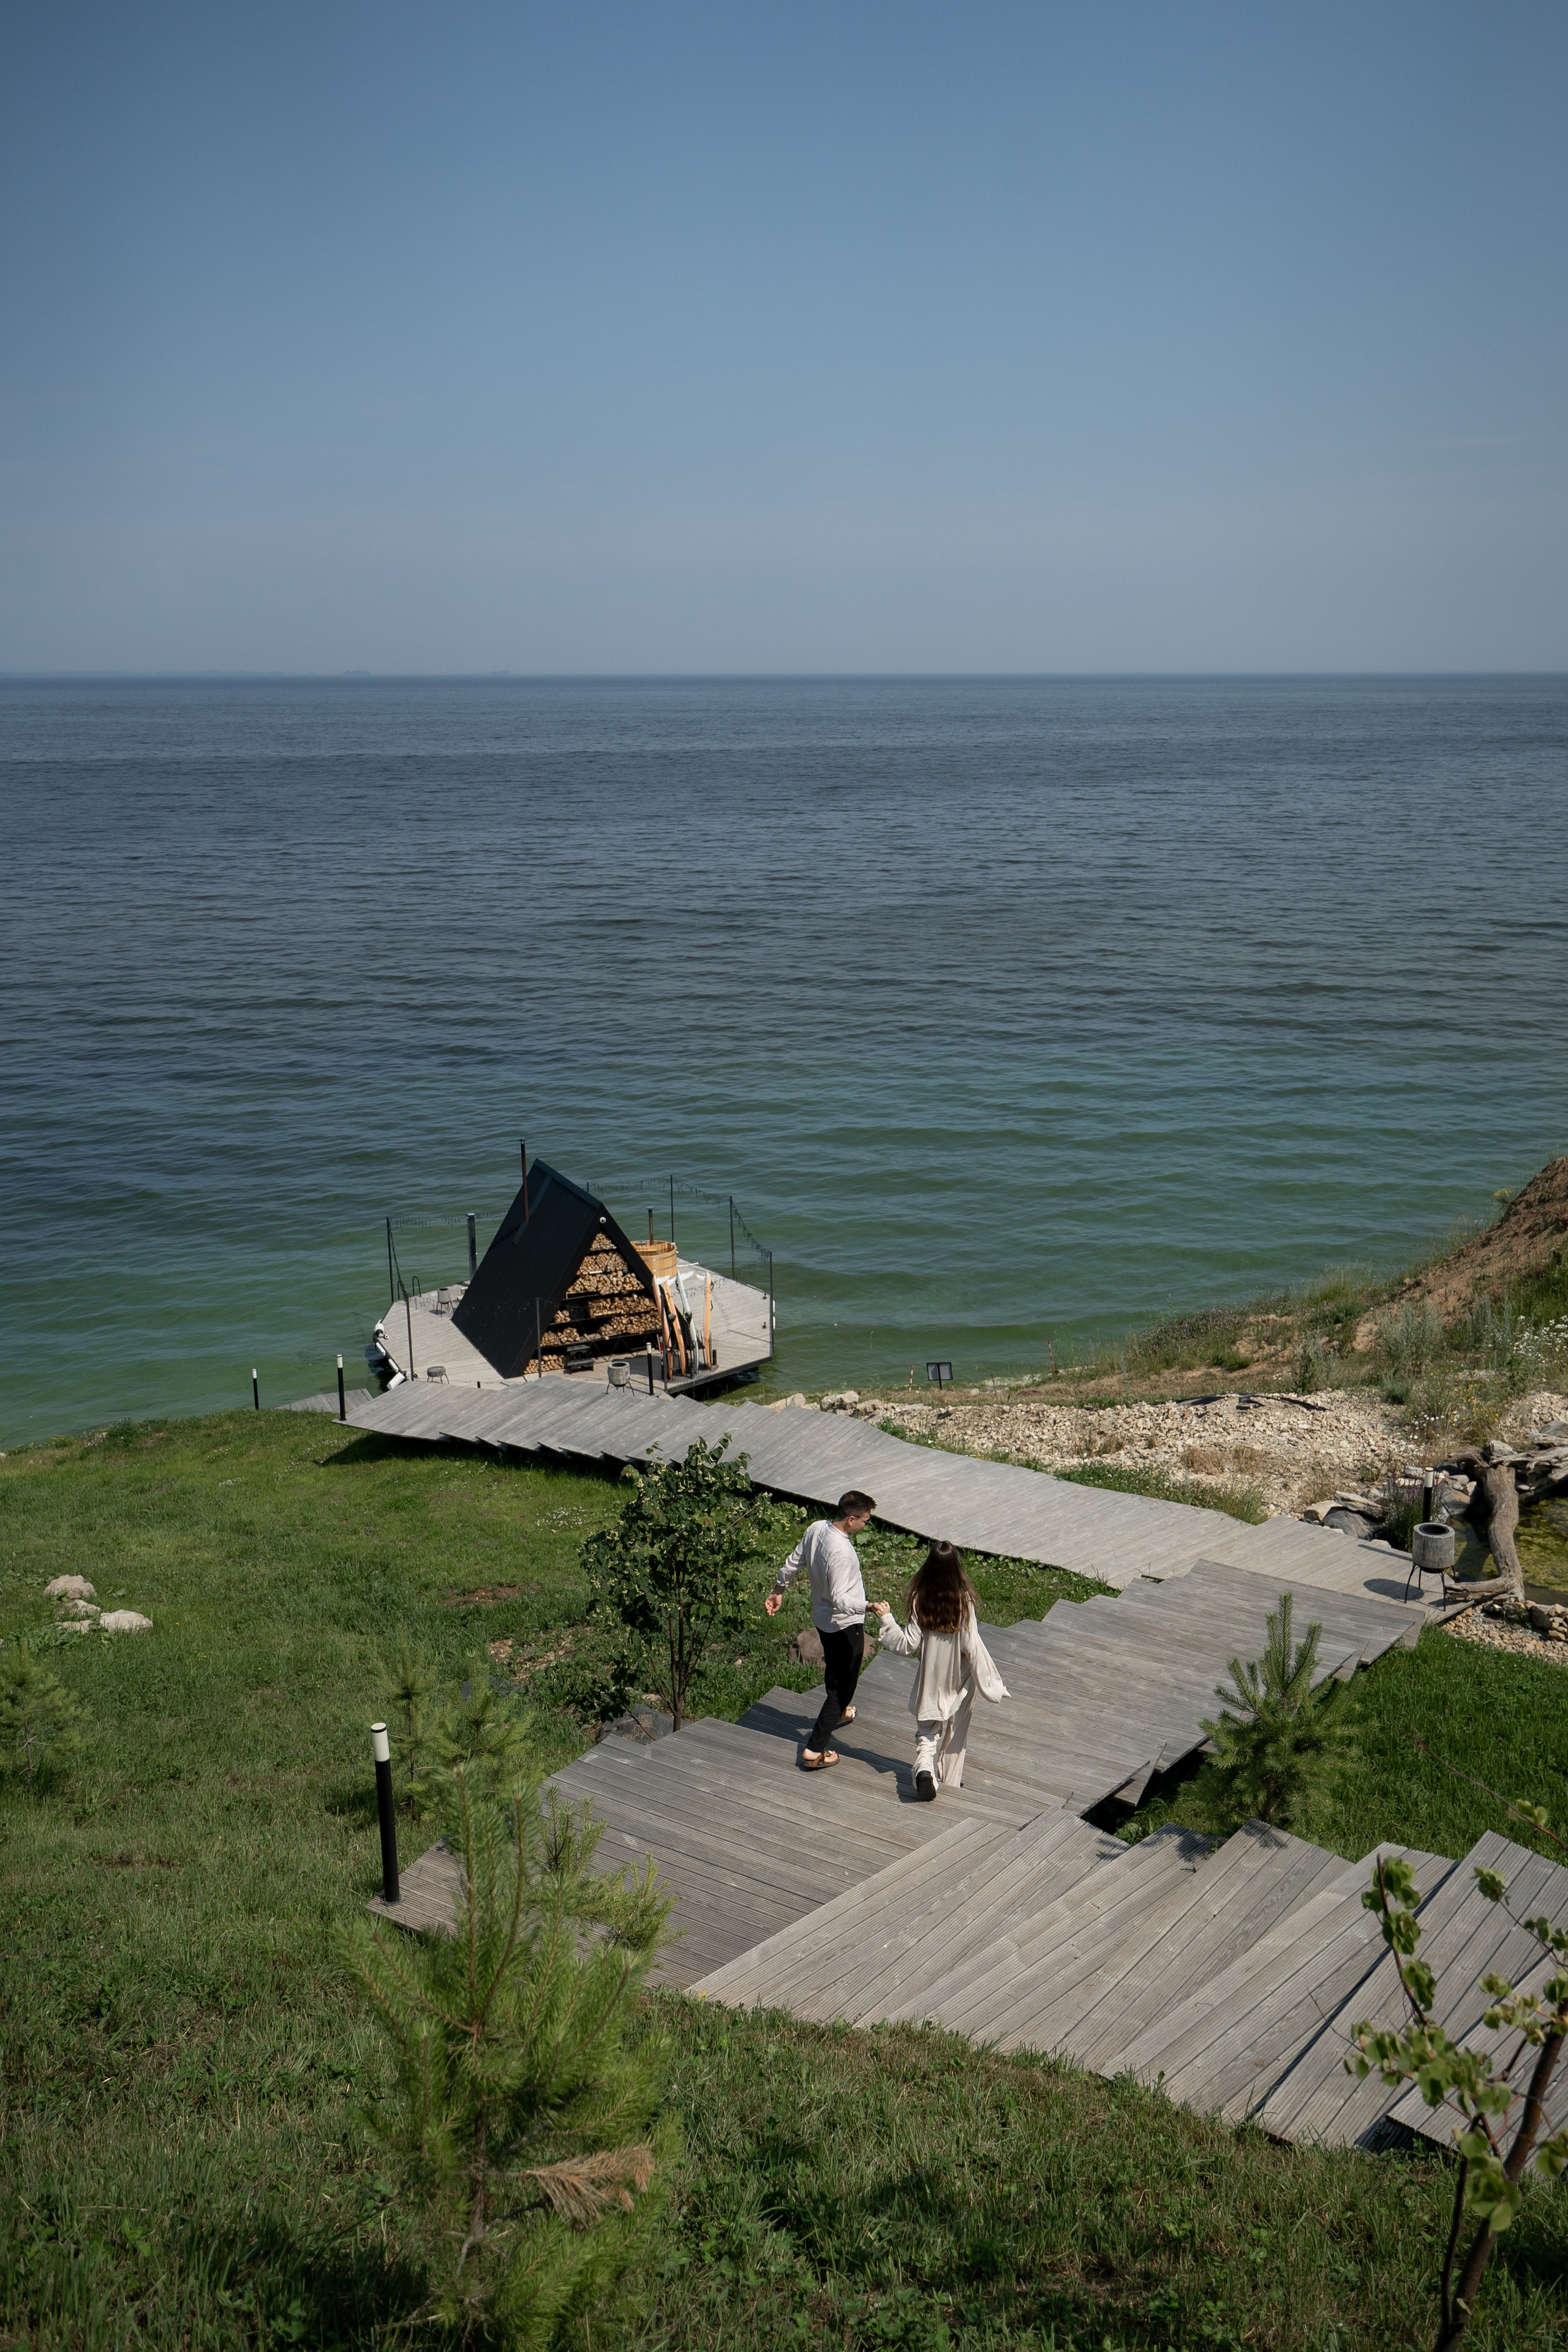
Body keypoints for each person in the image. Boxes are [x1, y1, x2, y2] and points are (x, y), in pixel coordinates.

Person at [870, 1542, 1008, 1800]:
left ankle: (925, 1768)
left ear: (929, 1566)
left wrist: (887, 1619)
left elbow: (907, 1645)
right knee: (957, 1730)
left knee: (927, 1733)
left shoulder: (919, 1599)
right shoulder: (964, 1601)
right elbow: (971, 1645)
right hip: (961, 1676)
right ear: (956, 1567)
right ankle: (951, 1781)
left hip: (931, 1679)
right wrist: (991, 1683)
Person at [764, 1490, 876, 1770]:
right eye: (866, 1520)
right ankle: (814, 1751)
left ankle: (838, 1713)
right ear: (851, 1519)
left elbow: (794, 1560)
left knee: (835, 1670)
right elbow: (840, 1599)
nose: (867, 1525)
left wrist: (778, 1590)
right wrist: (869, 1606)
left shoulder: (817, 1528)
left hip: (823, 1621)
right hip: (845, 1625)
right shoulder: (842, 1553)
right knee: (843, 1688)